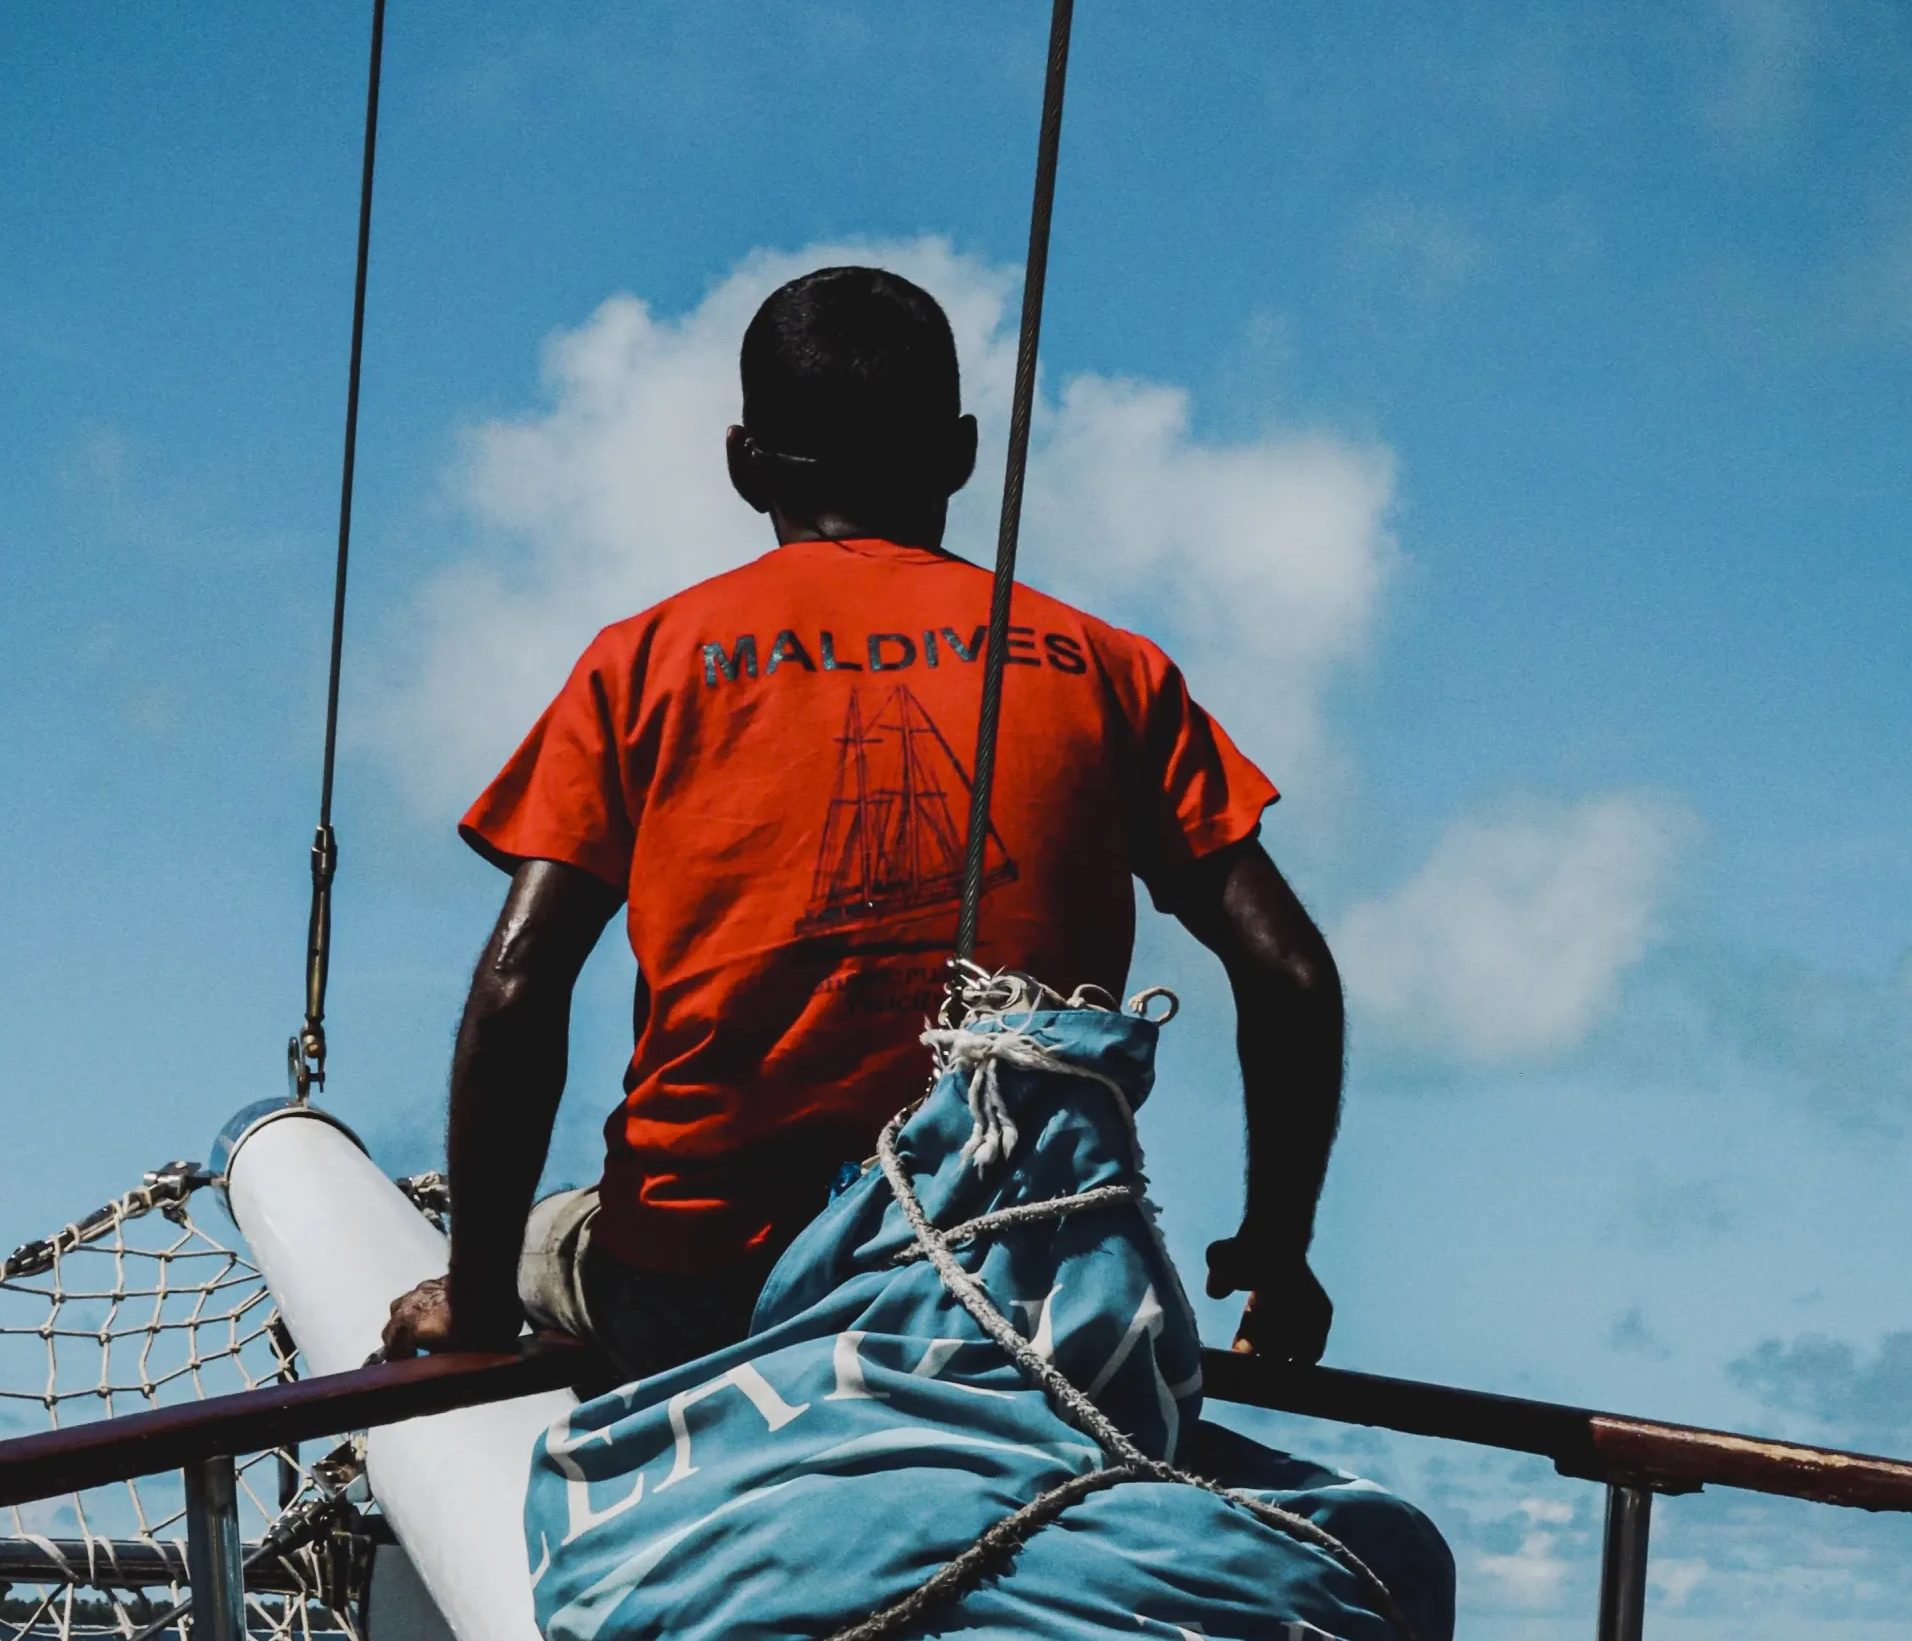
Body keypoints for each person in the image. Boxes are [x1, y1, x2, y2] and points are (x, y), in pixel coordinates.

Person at [383, 263, 1345, 1385]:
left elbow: (519, 982)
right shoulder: (1109, 669)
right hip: (1008, 1277)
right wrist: (1278, 1252)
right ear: (962, 453)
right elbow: (1288, 971)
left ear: (745, 465)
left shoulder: (641, 662)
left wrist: (483, 1305)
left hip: (706, 1285)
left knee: (551, 1242)